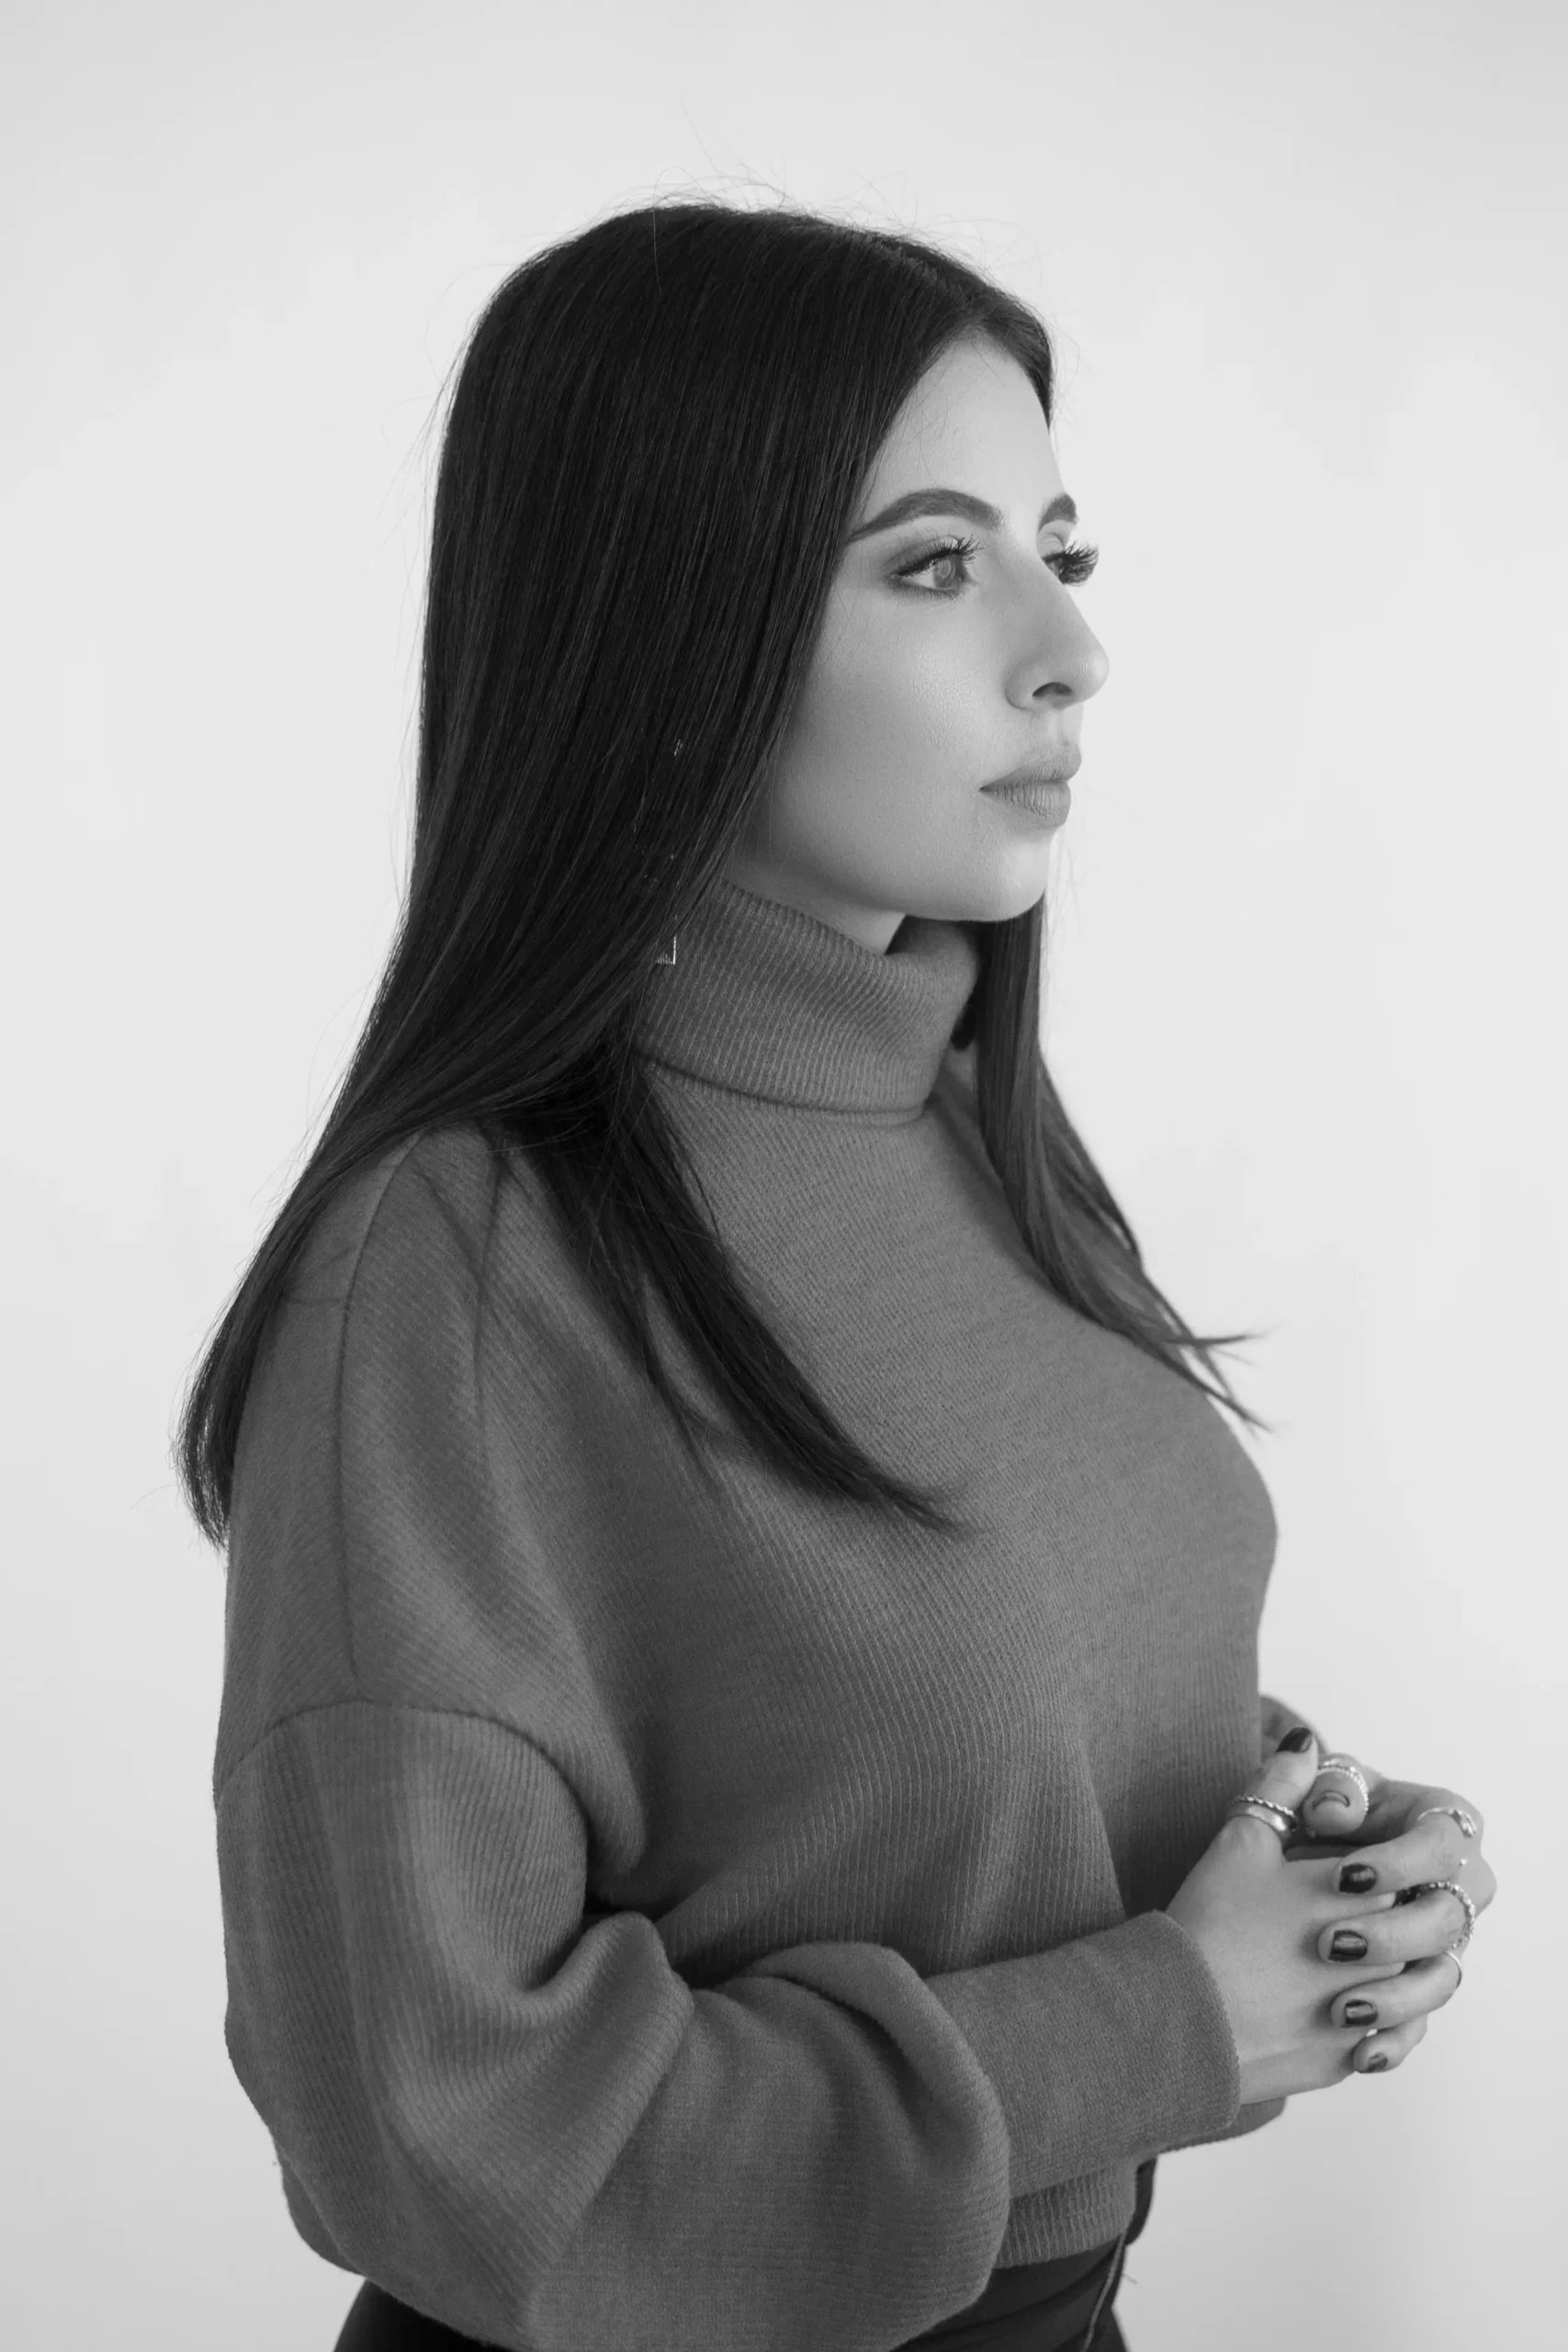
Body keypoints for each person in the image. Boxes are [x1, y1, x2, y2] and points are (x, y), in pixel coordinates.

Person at [175, 197, 1496, 2352]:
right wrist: (1162, 2016)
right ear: (663, 624)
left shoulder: (972, 1136)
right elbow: (433, 2134)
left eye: (1061, 552)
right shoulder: (446, 1267)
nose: (1068, 653)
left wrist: (1290, 1833)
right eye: (933, 565)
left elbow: (887, 1727)